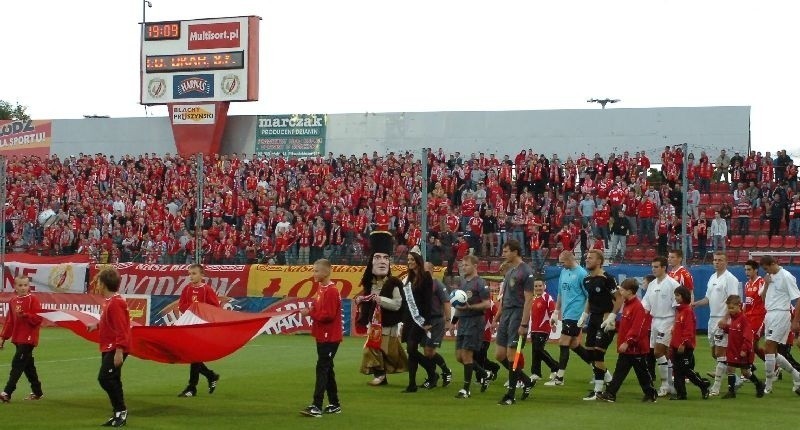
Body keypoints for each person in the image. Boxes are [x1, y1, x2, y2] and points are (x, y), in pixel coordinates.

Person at [357, 231, 408, 385]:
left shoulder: (393, 283)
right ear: (371, 261)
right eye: (378, 257)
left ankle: (427, 366)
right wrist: (361, 301)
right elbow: (368, 302)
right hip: (374, 327)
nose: (382, 262)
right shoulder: (369, 284)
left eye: (386, 258)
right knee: (371, 349)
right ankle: (380, 376)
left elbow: (398, 304)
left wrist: (381, 300)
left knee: (391, 355)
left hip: (388, 327)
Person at [596, 279, 658, 403]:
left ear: (629, 291)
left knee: (641, 373)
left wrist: (628, 341)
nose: (620, 291)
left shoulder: (637, 307)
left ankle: (650, 393)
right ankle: (611, 394)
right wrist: (615, 326)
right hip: (629, 347)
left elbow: (638, 328)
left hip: (635, 348)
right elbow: (627, 325)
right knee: (622, 371)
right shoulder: (628, 305)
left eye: (622, 289)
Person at [691, 252, 740, 396]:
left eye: (720, 260)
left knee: (720, 353)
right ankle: (736, 378)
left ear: (726, 262)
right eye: (715, 260)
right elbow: (708, 298)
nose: (716, 262)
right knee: (715, 353)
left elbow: (733, 301)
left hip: (723, 319)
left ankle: (716, 387)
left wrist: (726, 318)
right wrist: (696, 304)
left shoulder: (730, 279)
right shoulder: (713, 277)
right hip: (712, 319)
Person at [494, 240, 536, 405]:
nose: (503, 254)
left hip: (517, 314)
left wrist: (524, 324)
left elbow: (528, 299)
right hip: (506, 314)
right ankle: (526, 381)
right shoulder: (511, 271)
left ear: (515, 252)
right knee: (499, 355)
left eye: (506, 251)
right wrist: (498, 316)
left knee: (512, 355)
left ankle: (510, 395)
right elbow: (505, 296)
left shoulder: (526, 271)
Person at [300, 259, 343, 418]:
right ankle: (334, 403)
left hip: (329, 337)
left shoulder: (331, 291)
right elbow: (320, 308)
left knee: (322, 368)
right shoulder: (321, 288)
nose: (314, 274)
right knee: (328, 368)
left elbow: (328, 316)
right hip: (322, 335)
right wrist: (311, 308)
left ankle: (317, 405)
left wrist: (310, 312)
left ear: (326, 272)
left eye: (316, 271)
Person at [88, 267, 131, 427]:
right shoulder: (110, 302)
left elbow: (122, 328)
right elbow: (112, 322)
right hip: (108, 346)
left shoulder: (115, 303)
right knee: (114, 379)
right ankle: (118, 414)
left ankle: (121, 410)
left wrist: (119, 350)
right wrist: (97, 325)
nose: (96, 285)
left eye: (98, 282)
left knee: (104, 378)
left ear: (104, 284)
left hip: (115, 347)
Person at [578, 249, 619, 400]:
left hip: (605, 319)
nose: (587, 259)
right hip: (593, 319)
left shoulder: (607, 278)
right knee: (591, 354)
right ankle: (607, 381)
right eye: (587, 257)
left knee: (598, 354)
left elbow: (619, 298)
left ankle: (598, 390)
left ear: (599, 261)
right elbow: (590, 298)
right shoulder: (587, 280)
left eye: (591, 258)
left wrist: (612, 317)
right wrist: (584, 315)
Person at [546, 251, 591, 387]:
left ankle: (559, 377)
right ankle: (599, 369)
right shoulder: (563, 272)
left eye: (563, 262)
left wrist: (584, 314)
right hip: (566, 314)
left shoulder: (582, 273)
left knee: (563, 341)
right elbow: (560, 292)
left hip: (575, 314)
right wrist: (556, 312)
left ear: (570, 259)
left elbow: (589, 295)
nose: (561, 265)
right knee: (573, 345)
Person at [177, 264, 221, 397]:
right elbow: (181, 305)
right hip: (189, 326)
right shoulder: (187, 289)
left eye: (194, 273)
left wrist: (201, 309)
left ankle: (192, 387)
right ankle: (211, 375)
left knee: (194, 356)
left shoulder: (207, 290)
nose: (191, 276)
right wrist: (192, 308)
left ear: (202, 275)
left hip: (202, 327)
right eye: (189, 274)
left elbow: (215, 308)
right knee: (192, 356)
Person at [452, 255, 492, 398]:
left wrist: (471, 306)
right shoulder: (462, 283)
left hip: (475, 321)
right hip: (463, 322)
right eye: (462, 265)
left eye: (466, 265)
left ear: (475, 265)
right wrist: (453, 322)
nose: (463, 267)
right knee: (459, 357)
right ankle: (484, 373)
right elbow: (459, 305)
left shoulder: (480, 283)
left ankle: (466, 389)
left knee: (467, 355)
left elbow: (487, 304)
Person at [0, 276, 44, 402]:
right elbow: (10, 321)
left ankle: (7, 392)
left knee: (17, 364)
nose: (23, 288)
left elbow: (38, 319)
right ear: (15, 286)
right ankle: (38, 392)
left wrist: (25, 316)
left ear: (29, 286)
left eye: (25, 285)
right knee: (28, 367)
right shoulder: (13, 301)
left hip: (28, 338)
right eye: (20, 285)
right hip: (18, 338)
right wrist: (3, 337)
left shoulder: (33, 299)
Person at [760, 255, 800, 394]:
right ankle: (796, 375)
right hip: (769, 314)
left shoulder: (786, 276)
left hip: (781, 314)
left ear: (773, 264)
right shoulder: (768, 277)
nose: (767, 271)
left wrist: (795, 321)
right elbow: (762, 297)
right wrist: (766, 284)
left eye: (767, 268)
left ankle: (768, 385)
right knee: (773, 351)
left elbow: (798, 298)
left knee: (769, 347)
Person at [642, 256, 680, 396]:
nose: (654, 269)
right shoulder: (652, 285)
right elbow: (645, 305)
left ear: (664, 267)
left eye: (656, 267)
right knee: (661, 354)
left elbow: (678, 306)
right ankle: (670, 384)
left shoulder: (672, 284)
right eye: (652, 267)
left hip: (667, 320)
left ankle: (665, 384)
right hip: (655, 321)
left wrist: (676, 324)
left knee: (658, 352)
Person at [400, 251, 436, 393]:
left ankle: (432, 372)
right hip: (409, 318)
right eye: (408, 259)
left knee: (411, 348)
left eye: (412, 259)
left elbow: (428, 300)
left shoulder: (426, 277)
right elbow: (406, 301)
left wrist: (427, 321)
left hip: (419, 318)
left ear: (418, 261)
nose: (409, 262)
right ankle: (412, 383)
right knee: (412, 351)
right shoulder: (408, 278)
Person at [718, 295, 766, 398]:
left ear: (739, 306)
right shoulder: (733, 319)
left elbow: (748, 336)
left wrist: (745, 349)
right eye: (729, 308)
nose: (730, 310)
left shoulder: (744, 319)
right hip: (732, 349)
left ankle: (759, 384)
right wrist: (725, 328)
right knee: (730, 368)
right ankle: (731, 392)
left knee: (745, 373)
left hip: (742, 351)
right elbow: (733, 330)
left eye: (732, 308)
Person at [669, 286, 710, 400]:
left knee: (685, 370)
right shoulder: (680, 310)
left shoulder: (687, 311)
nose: (676, 298)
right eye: (675, 295)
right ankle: (681, 394)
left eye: (678, 295)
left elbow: (688, 330)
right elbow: (678, 330)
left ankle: (703, 385)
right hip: (677, 346)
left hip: (685, 347)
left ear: (684, 296)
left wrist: (683, 343)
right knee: (677, 371)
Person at [421, 262, 453, 389]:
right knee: (426, 352)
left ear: (432, 271)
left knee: (430, 351)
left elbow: (446, 302)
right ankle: (432, 377)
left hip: (436, 320)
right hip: (424, 322)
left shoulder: (437, 284)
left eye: (426, 271)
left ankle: (446, 370)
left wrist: (448, 320)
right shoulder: (421, 285)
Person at [529, 278, 559, 383]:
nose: (538, 288)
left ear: (544, 286)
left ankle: (555, 366)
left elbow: (552, 312)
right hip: (534, 329)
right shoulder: (533, 299)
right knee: (535, 351)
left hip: (544, 329)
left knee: (538, 349)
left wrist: (553, 324)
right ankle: (536, 373)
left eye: (540, 286)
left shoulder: (547, 298)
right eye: (536, 286)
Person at [743, 260, 767, 365]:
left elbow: (764, 298)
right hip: (748, 317)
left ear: (756, 270)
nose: (746, 272)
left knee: (750, 342)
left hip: (759, 317)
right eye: (745, 270)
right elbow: (747, 302)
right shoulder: (747, 284)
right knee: (755, 347)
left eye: (749, 270)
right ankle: (775, 366)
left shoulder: (761, 282)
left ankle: (748, 369)